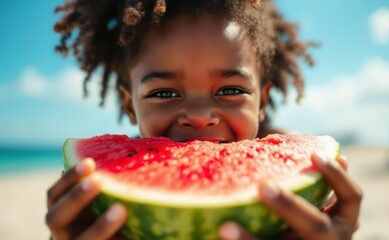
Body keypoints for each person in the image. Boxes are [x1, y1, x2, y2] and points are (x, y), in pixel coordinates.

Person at [46, 0, 362, 239]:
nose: (199, 117)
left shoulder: (302, 190)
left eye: (230, 89)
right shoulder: (103, 197)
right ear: (130, 106)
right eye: (164, 94)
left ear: (262, 100)